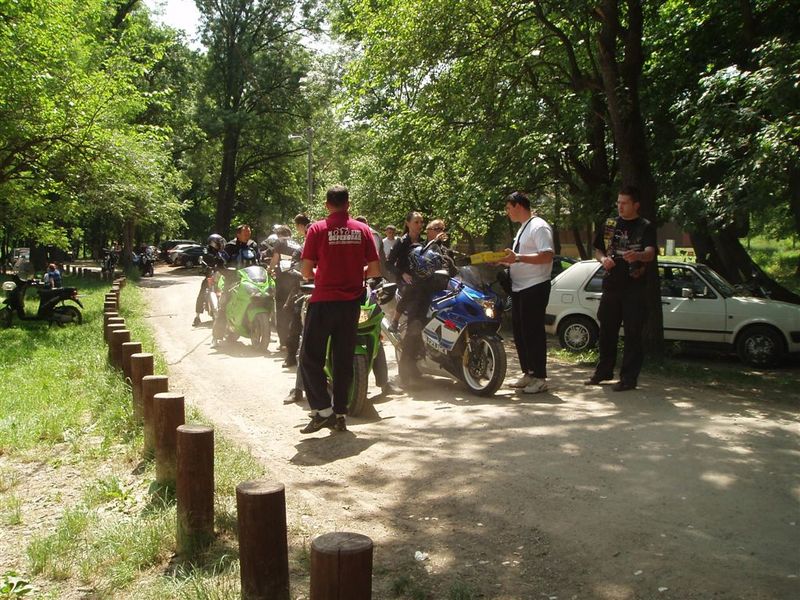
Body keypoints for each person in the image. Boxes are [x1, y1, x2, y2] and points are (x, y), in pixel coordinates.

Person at [298, 185, 380, 433]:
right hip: (352, 304)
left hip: (324, 301)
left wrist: (324, 273)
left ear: (327, 205)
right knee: (343, 359)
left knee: (309, 358)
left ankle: (324, 411)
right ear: (348, 204)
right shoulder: (363, 230)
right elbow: (374, 270)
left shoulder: (317, 229)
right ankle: (341, 413)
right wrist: (354, 272)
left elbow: (305, 271)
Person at [584, 186, 657, 391]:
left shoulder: (645, 226)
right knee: (607, 330)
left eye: (624, 203)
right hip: (611, 285)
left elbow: (650, 253)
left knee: (633, 333)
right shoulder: (610, 224)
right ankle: (604, 371)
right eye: (618, 202)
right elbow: (598, 250)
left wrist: (638, 256)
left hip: (634, 287)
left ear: (636, 205)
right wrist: (603, 260)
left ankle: (628, 378)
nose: (620, 206)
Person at [497, 192, 554, 394]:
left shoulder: (539, 226)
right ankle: (528, 373)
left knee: (533, 332)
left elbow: (547, 256)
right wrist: (503, 261)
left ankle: (540, 377)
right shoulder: (524, 227)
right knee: (520, 333)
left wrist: (517, 258)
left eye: (508, 208)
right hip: (519, 287)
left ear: (518, 206)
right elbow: (518, 258)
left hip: (535, 286)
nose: (507, 212)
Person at [394, 218, 453, 386]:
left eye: (442, 228)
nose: (441, 231)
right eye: (437, 228)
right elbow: (418, 262)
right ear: (429, 231)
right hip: (421, 292)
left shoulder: (445, 248)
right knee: (414, 328)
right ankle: (405, 374)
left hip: (442, 291)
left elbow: (453, 267)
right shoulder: (420, 248)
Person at [211, 224, 260, 346]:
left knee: (260, 300)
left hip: (251, 280)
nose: (247, 235)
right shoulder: (230, 246)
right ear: (238, 234)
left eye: (249, 233)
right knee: (224, 305)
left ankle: (261, 330)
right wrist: (226, 271)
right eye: (245, 233)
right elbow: (221, 262)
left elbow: (259, 261)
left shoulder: (253, 245)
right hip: (232, 281)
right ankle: (216, 337)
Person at [386, 211, 424, 331]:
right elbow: (388, 264)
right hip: (404, 278)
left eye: (421, 222)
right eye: (416, 222)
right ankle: (395, 321)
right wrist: (402, 274)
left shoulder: (424, 242)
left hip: (420, 277)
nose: (420, 225)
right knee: (410, 288)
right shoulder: (401, 242)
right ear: (408, 223)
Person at [270, 225, 301, 349]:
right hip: (296, 280)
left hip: (283, 280)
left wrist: (269, 270)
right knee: (293, 311)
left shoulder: (280, 241)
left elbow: (275, 258)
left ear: (279, 234)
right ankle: (294, 341)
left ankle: (283, 342)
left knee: (281, 310)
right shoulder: (297, 243)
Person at [193, 234, 227, 327]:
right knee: (202, 292)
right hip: (211, 275)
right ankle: (197, 316)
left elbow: (226, 261)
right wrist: (205, 268)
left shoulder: (223, 253)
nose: (221, 244)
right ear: (213, 243)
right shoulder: (206, 251)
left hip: (221, 275)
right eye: (219, 243)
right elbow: (204, 261)